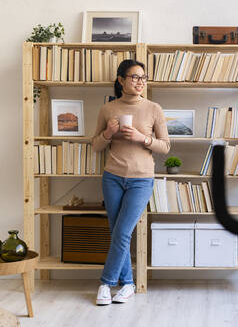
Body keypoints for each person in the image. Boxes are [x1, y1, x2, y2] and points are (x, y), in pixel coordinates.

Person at [91, 59, 170, 305]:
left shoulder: (154, 108)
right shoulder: (108, 109)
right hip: (112, 177)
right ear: (121, 80)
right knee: (117, 233)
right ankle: (127, 285)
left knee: (123, 233)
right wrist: (108, 134)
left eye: (143, 78)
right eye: (135, 77)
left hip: (141, 179)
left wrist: (142, 138)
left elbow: (165, 146)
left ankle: (106, 283)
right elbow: (96, 145)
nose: (140, 82)